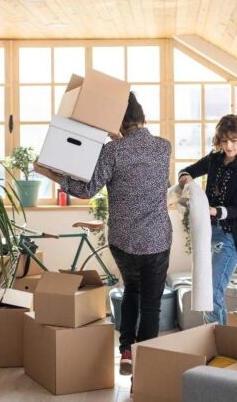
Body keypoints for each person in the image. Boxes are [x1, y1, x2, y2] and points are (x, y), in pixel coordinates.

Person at [33, 92, 171, 376]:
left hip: (124, 240)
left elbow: (86, 190)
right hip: (157, 240)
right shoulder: (163, 147)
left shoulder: (112, 151)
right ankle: (146, 370)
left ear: (117, 124)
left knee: (131, 290)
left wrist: (48, 173)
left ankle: (127, 352)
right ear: (142, 117)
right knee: (151, 304)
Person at [178, 114, 237, 325]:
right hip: (210, 232)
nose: (229, 146)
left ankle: (218, 344)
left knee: (212, 290)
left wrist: (211, 210)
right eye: (224, 141)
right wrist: (186, 177)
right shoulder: (214, 158)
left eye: (233, 140)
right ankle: (214, 339)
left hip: (234, 235)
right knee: (207, 290)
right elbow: (188, 170)